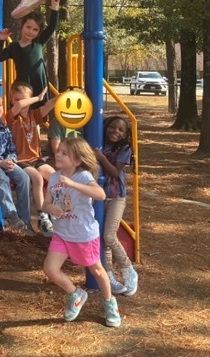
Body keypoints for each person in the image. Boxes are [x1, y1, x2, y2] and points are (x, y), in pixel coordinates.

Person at [42, 137, 121, 327]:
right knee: (50, 269)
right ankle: (76, 294)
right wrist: (50, 209)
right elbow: (45, 203)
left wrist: (72, 184)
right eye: (58, 150)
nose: (58, 154)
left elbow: (101, 195)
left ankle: (110, 304)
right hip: (62, 233)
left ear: (77, 160)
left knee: (97, 270)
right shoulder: (54, 177)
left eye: (64, 153)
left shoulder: (83, 176)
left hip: (83, 234)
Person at [0, 0, 64, 155]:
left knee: (36, 120)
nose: (31, 32)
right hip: (23, 88)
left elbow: (52, 27)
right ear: (21, 26)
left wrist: (54, 8)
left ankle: (35, 150)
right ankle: (18, 148)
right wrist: (1, 40)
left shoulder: (39, 43)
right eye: (28, 27)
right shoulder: (14, 47)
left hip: (39, 85)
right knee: (21, 118)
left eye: (35, 29)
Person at [95, 115, 138, 296]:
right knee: (102, 239)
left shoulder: (124, 149)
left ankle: (128, 270)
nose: (115, 131)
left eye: (121, 130)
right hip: (98, 196)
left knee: (109, 235)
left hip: (116, 196)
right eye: (112, 127)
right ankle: (109, 276)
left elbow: (113, 171)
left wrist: (100, 157)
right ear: (105, 127)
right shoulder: (97, 141)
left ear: (125, 135)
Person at [7, 81, 57, 237]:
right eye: (17, 100)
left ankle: (53, 213)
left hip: (36, 158)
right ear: (11, 100)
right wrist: (37, 98)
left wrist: (64, 96)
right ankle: (42, 217)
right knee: (37, 178)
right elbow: (20, 105)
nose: (22, 104)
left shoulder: (33, 115)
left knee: (55, 177)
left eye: (24, 100)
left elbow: (48, 106)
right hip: (21, 160)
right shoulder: (12, 116)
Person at [0, 94, 34, 235]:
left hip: (5, 162)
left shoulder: (5, 129)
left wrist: (11, 160)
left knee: (24, 177)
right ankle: (11, 214)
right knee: (1, 177)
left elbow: (11, 149)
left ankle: (25, 219)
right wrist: (0, 162)